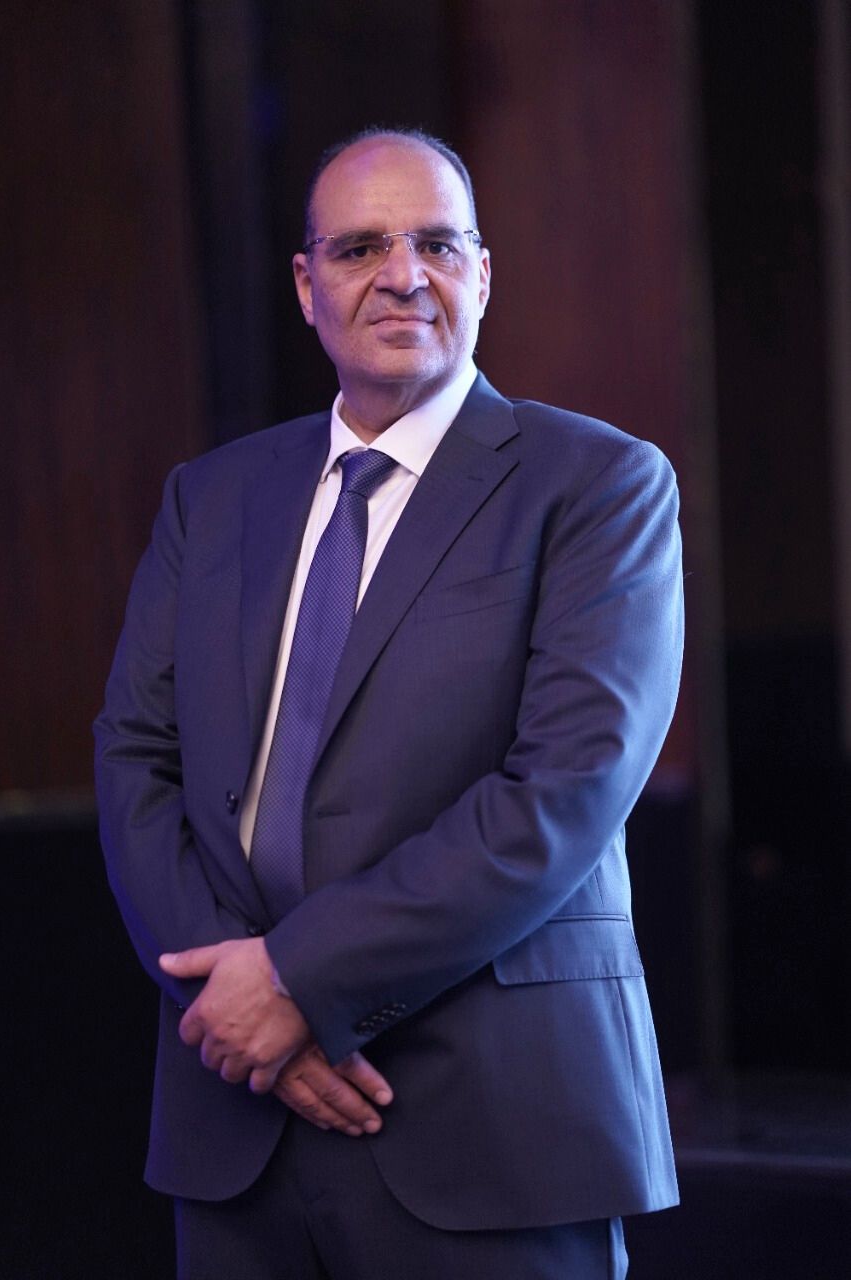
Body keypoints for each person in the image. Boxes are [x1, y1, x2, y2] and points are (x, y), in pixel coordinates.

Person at [95, 125, 683, 1279]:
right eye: (361, 247)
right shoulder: (210, 497)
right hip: (236, 1122)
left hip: (493, 1126)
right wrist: (238, 1005)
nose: (403, 275)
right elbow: (134, 758)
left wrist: (299, 982)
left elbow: (565, 789)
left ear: (482, 273)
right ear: (306, 284)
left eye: (437, 244)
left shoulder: (598, 483)